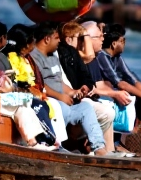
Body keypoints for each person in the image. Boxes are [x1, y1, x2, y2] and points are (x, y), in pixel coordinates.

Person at [27, 22, 112, 154]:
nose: (59, 41)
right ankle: (57, 147)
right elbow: (39, 85)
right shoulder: (34, 57)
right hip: (50, 101)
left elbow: (59, 81)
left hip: (64, 101)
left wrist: (73, 92)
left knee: (86, 108)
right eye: (56, 38)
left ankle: (99, 147)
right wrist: (60, 96)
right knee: (60, 108)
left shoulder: (52, 56)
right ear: (46, 39)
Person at [57, 21, 118, 147]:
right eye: (80, 38)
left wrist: (86, 87)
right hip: (68, 98)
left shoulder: (76, 54)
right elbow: (89, 55)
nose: (103, 39)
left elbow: (88, 79)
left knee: (108, 109)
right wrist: (85, 33)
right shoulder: (66, 53)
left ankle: (105, 149)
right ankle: (82, 144)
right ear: (68, 40)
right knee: (106, 112)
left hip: (79, 96)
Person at [101, 22, 141, 116]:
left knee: (140, 96)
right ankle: (133, 127)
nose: (125, 44)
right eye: (122, 41)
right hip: (103, 93)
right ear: (114, 44)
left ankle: (139, 125)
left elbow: (131, 77)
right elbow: (120, 84)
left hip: (113, 89)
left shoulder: (117, 57)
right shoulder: (102, 56)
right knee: (129, 93)